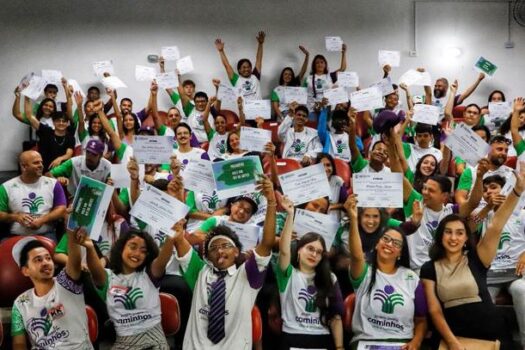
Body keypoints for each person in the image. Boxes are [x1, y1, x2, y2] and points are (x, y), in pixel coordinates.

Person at [420, 170, 524, 350]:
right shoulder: (429, 268)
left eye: (460, 233)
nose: (454, 238)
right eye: (448, 232)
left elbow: (497, 224)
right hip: (451, 336)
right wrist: (453, 343)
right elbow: (434, 310)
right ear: (440, 236)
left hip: (489, 334)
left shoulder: (477, 258)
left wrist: (517, 191)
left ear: (466, 238)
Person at [172, 175, 277, 349]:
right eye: (214, 248)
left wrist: (272, 202)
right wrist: (177, 199)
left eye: (226, 245)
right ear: (206, 254)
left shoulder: (248, 276)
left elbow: (267, 243)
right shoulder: (199, 272)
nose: (220, 250)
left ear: (237, 252)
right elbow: (180, 239)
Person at [80, 222, 181, 349]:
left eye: (143, 251)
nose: (137, 253)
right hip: (124, 343)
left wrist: (171, 239)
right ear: (121, 248)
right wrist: (89, 247)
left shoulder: (150, 274)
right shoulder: (108, 277)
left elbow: (162, 259)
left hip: (155, 342)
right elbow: (95, 270)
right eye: (133, 247)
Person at [346, 195, 427, 349]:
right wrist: (353, 218)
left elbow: (421, 320)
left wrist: (415, 343)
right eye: (386, 239)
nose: (389, 244)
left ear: (400, 253)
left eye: (396, 243)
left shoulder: (411, 278)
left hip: (402, 343)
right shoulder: (364, 273)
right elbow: (356, 255)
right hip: (366, 343)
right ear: (377, 244)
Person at [275, 195, 344, 350]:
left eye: (319, 252)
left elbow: (335, 318)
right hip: (292, 338)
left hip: (323, 339)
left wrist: (339, 347)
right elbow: (284, 251)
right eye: (310, 249)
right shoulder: (287, 274)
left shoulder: (330, 277)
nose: (314, 254)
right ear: (299, 250)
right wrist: (291, 214)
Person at [11, 229, 93, 349]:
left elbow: (74, 264)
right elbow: (19, 343)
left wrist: (71, 229)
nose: (45, 263)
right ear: (25, 270)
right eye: (38, 260)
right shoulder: (20, 304)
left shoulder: (65, 282)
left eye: (48, 258)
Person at [475, 174, 525, 348]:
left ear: (505, 190)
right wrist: (487, 208)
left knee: (522, 290)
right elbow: (470, 226)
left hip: (516, 272)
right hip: (491, 273)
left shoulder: (521, 213)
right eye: (485, 190)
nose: (489, 192)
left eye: (493, 187)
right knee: (482, 298)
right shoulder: (481, 214)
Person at [0, 151, 66, 241]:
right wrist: (15, 217)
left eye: (41, 162)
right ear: (24, 167)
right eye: (36, 163)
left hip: (46, 234)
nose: (41, 165)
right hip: (15, 235)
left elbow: (61, 209)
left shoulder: (53, 184)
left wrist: (42, 220)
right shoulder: (6, 187)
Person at [455, 135, 514, 206]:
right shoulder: (471, 171)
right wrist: (471, 213)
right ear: (488, 150)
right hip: (473, 212)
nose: (504, 153)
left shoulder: (511, 174)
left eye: (506, 151)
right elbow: (460, 198)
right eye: (499, 149)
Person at [215, 31, 266, 101]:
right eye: (244, 67)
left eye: (248, 67)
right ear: (239, 70)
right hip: (245, 111)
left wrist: (260, 44)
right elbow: (227, 65)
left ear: (251, 68)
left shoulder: (255, 76)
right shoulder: (236, 79)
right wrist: (221, 51)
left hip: (259, 109)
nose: (246, 69)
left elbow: (259, 60)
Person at [304, 45, 347, 113]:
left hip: (327, 109)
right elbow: (304, 94)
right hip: (312, 109)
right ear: (314, 65)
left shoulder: (330, 76)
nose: (319, 64)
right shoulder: (308, 78)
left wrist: (343, 53)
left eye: (322, 62)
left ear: (325, 64)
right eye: (317, 63)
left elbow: (342, 69)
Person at [271, 46, 309, 121]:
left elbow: (303, 71)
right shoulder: (276, 90)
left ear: (292, 76)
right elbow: (275, 107)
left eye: (290, 74)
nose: (287, 76)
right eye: (285, 74)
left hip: (296, 113)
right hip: (283, 114)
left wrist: (307, 56)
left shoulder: (295, 85)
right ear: (282, 75)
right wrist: (282, 118)